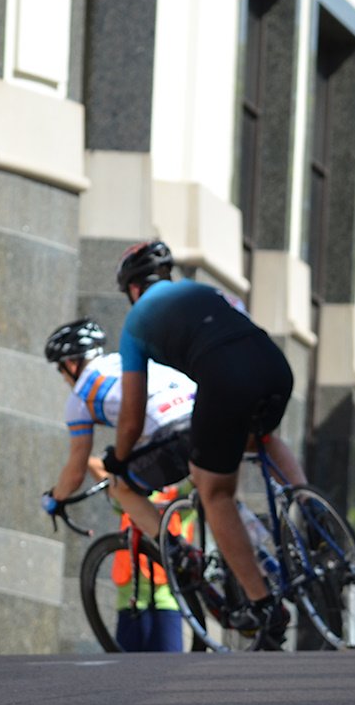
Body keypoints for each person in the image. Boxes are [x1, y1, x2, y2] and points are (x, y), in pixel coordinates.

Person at [107, 241, 306, 640]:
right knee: (261, 438)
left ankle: (264, 605)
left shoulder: (136, 323)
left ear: (132, 290)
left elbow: (130, 419)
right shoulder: (208, 292)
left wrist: (118, 459)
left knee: (214, 491)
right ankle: (313, 517)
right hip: (274, 364)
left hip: (223, 377)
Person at [41, 318, 200, 652]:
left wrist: (55, 498)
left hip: (174, 432)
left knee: (121, 488)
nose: (64, 378)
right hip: (207, 413)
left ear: (71, 364)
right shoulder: (126, 363)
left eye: (60, 371)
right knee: (215, 490)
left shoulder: (82, 394)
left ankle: (177, 552)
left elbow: (74, 472)